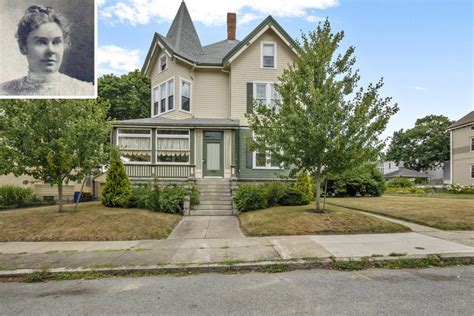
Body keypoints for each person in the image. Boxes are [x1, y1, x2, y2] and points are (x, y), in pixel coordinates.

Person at [0, 5, 94, 97]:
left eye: (56, 42)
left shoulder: (86, 91)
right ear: (23, 47)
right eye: (41, 42)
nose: (50, 50)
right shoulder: (4, 91)